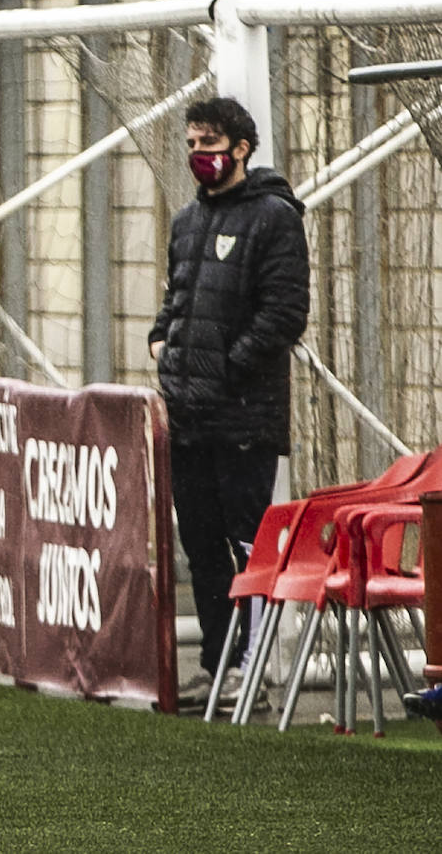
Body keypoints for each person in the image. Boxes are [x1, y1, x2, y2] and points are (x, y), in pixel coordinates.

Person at [148, 96, 310, 710]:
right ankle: (216, 667)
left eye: (209, 146)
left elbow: (284, 315)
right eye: (191, 146)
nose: (199, 157)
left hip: (245, 419)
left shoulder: (274, 217)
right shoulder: (188, 221)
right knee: (201, 548)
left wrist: (225, 369)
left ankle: (252, 671)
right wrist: (161, 339)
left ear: (241, 149)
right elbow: (178, 299)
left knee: (247, 548)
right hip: (189, 419)